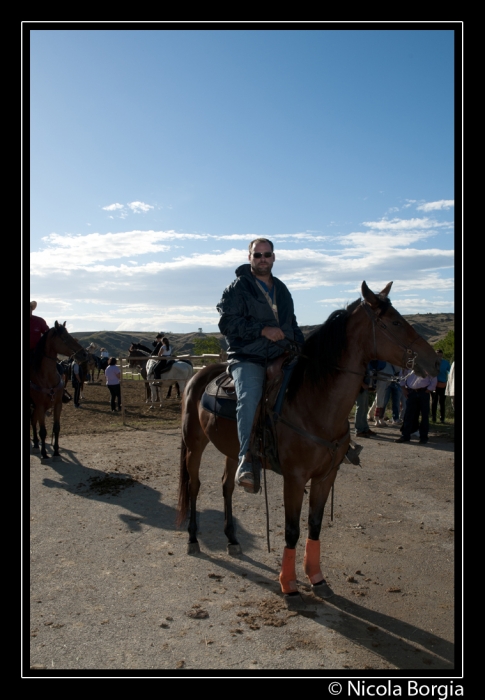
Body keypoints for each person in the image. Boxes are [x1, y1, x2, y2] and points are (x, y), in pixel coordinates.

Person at [217, 238, 305, 493]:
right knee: (250, 396)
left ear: (274, 257)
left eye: (267, 255)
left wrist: (301, 346)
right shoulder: (236, 289)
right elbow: (227, 324)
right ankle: (246, 459)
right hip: (248, 356)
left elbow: (292, 324)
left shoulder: (282, 289)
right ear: (250, 258)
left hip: (283, 353)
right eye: (258, 255)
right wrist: (262, 329)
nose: (262, 259)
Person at [395, 369, 437, 444]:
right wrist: (404, 389)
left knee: (424, 416)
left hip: (423, 392)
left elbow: (434, 379)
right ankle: (405, 436)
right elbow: (402, 377)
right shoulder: (408, 365)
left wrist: (429, 389)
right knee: (408, 415)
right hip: (411, 392)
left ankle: (423, 437)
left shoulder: (427, 365)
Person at [354, 363, 378, 438]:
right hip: (360, 388)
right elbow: (355, 375)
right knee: (360, 408)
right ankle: (359, 430)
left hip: (365, 388)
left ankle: (365, 428)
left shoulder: (366, 363)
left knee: (364, 408)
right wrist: (362, 384)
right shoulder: (359, 363)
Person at [431, 349, 451, 424]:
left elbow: (450, 372)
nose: (439, 356)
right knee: (434, 401)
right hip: (434, 384)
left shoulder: (446, 363)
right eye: (437, 355)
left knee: (442, 402)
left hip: (443, 384)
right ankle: (433, 417)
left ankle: (442, 418)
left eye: (440, 355)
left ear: (442, 355)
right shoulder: (432, 363)